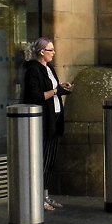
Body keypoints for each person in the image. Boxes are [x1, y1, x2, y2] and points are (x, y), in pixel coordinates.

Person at [20, 37, 72, 211]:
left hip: (55, 119)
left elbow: (52, 90)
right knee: (42, 161)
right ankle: (38, 198)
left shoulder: (48, 68)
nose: (54, 53)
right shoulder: (33, 70)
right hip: (44, 121)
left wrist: (60, 87)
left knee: (50, 162)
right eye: (51, 50)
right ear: (42, 52)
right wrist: (57, 91)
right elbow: (35, 96)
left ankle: (45, 196)